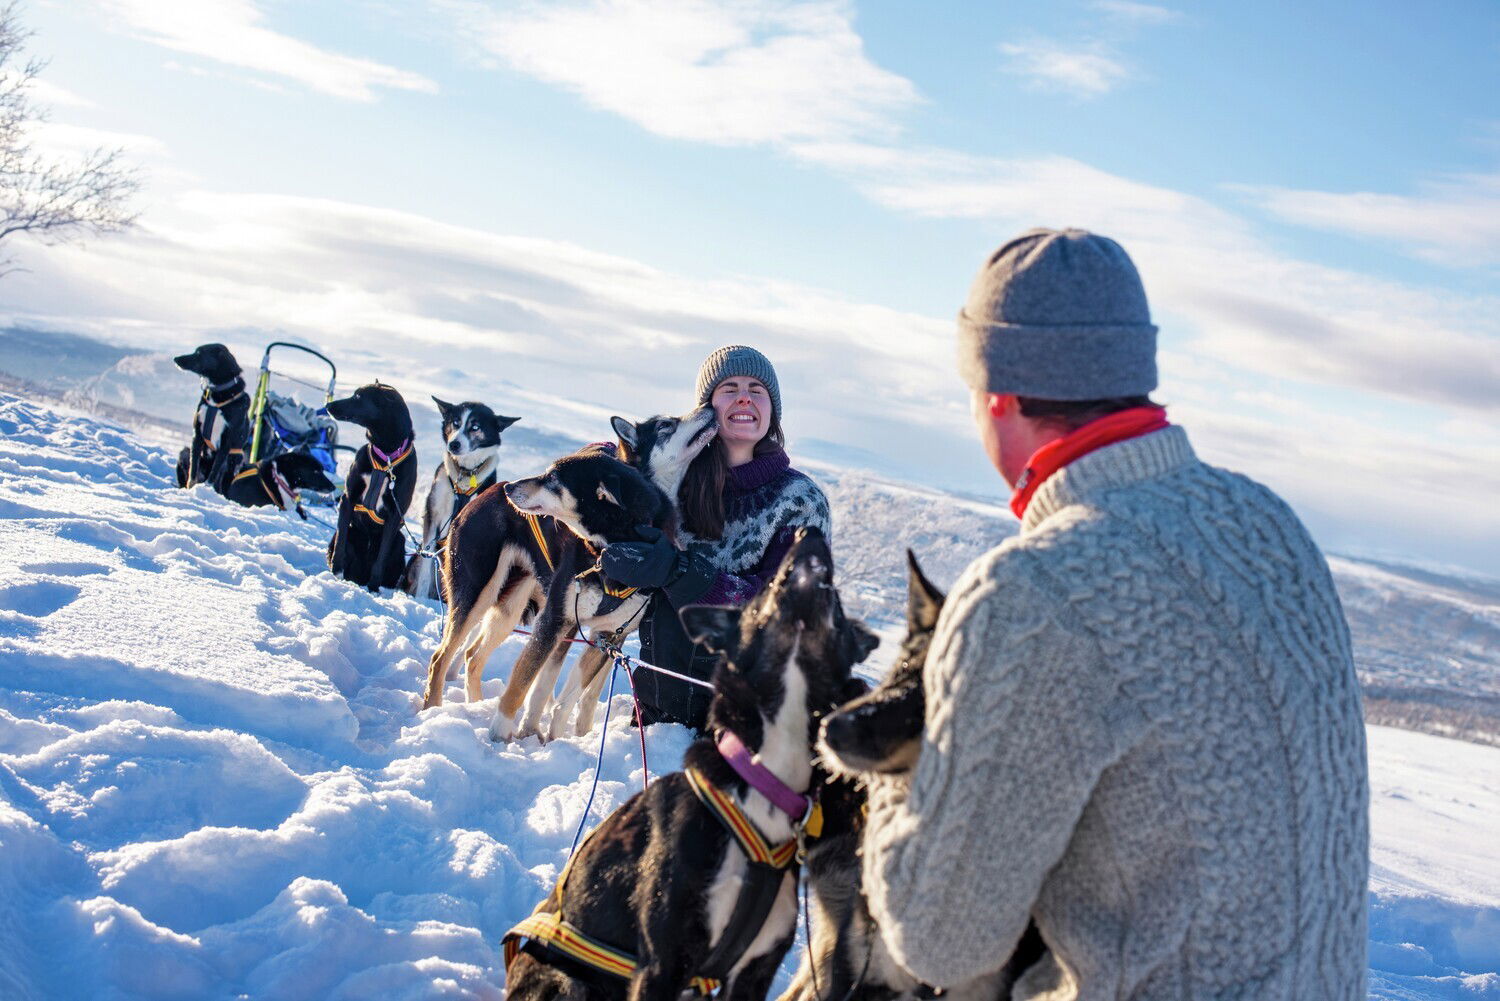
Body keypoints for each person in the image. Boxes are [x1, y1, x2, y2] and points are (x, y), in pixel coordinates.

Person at [860, 229, 1369, 1000]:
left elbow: (939, 936)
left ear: (998, 394)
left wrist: (902, 774)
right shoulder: (1272, 527)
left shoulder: (1034, 592)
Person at [601, 345, 831, 730]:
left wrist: (680, 572)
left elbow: (787, 614)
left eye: (757, 389)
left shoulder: (801, 501)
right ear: (706, 410)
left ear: (772, 411)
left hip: (740, 725)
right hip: (653, 717)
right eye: (730, 388)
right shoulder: (674, 481)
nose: (744, 396)